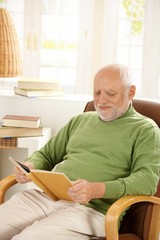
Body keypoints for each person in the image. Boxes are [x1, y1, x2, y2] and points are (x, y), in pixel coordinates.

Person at [0, 63, 160, 240]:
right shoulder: (80, 120)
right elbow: (46, 154)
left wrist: (96, 189)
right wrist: (30, 165)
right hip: (45, 198)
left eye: (111, 93)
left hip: (91, 211)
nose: (101, 100)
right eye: (97, 93)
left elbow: (147, 181)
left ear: (131, 92)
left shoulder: (145, 130)